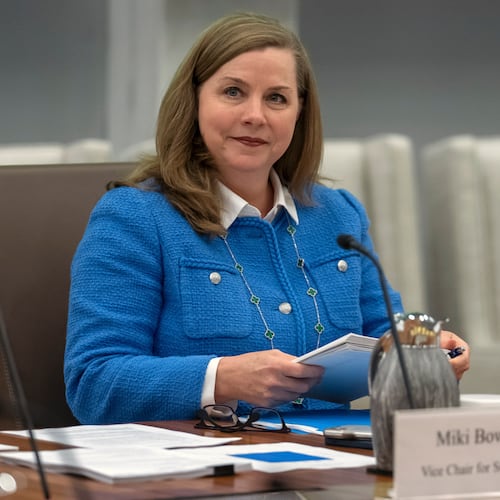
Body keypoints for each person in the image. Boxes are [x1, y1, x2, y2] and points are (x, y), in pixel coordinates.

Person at [64, 12, 470, 424]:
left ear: (298, 112)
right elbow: (93, 382)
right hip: (206, 469)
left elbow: (387, 333)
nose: (255, 115)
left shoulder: (338, 214)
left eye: (276, 98)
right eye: (233, 92)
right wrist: (221, 378)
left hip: (332, 468)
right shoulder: (135, 217)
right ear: (195, 101)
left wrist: (424, 350)